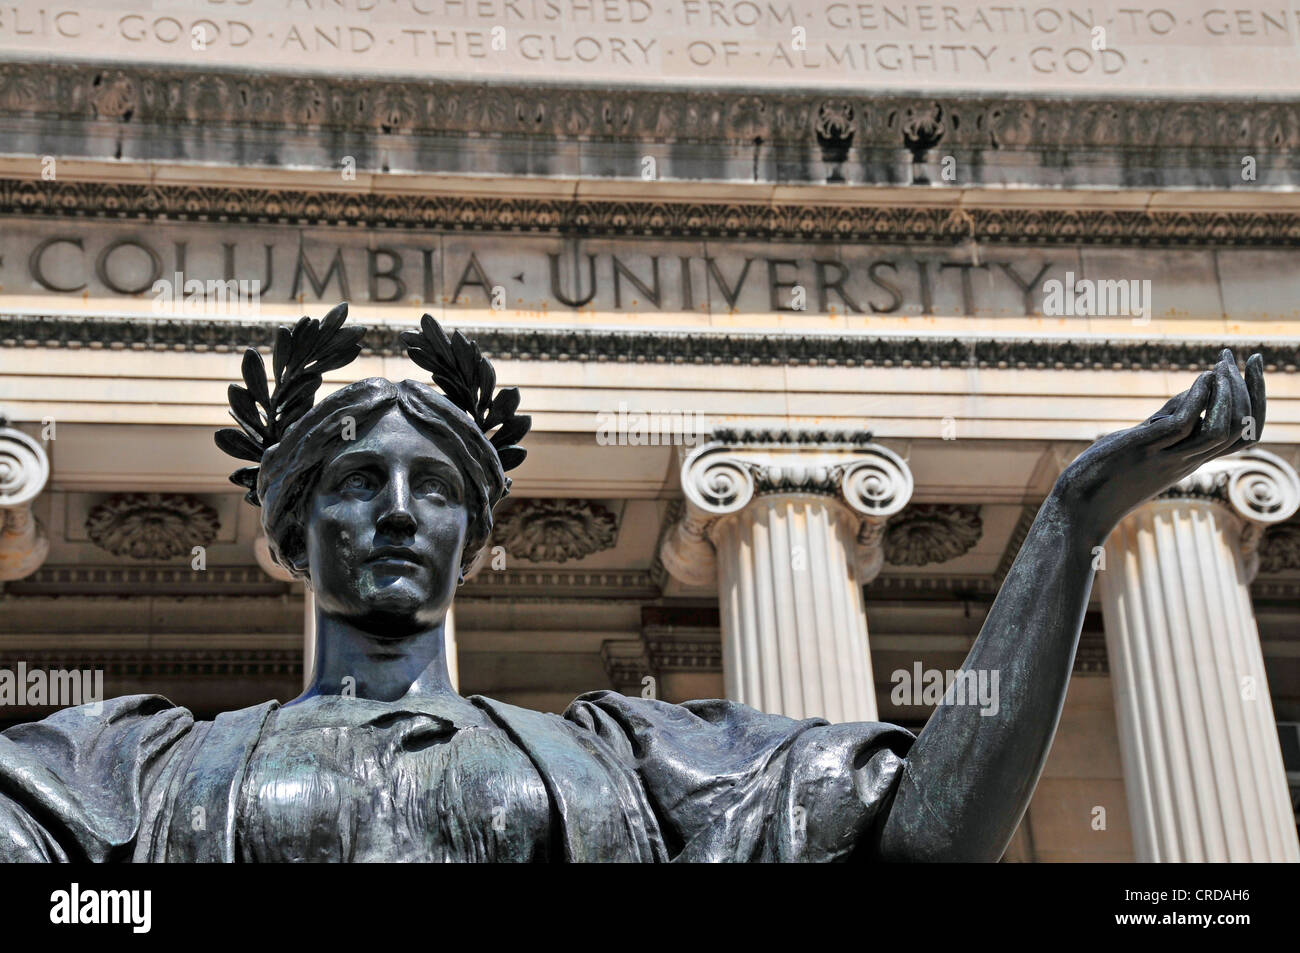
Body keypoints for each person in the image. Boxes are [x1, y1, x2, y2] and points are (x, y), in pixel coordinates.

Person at [0, 304, 1265, 862]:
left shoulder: (639, 764)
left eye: (435, 489)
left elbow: (929, 829)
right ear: (283, 538)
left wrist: (1070, 521)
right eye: (351, 483)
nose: (395, 509)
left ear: (479, 547)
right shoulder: (134, 773)